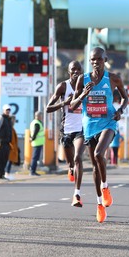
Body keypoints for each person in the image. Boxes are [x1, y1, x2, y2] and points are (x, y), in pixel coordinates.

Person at [70, 47, 128, 223]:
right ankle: (99, 204)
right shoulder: (83, 79)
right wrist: (84, 94)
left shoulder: (113, 78)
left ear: (105, 59)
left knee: (98, 154)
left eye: (99, 59)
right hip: (90, 125)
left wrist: (120, 110)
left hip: (109, 122)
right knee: (95, 166)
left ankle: (105, 187)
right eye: (93, 60)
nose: (96, 62)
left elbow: (125, 98)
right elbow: (72, 105)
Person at [45, 60, 85, 207]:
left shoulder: (86, 87)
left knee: (78, 158)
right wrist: (64, 103)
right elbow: (48, 108)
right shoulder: (63, 86)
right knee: (71, 165)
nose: (76, 72)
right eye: (73, 70)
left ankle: (77, 194)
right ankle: (70, 168)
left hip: (81, 129)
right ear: (69, 72)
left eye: (79, 70)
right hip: (67, 130)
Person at [29, 111, 44, 176]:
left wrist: (31, 138)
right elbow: (35, 132)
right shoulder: (37, 123)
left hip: (36, 142)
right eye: (41, 116)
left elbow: (32, 132)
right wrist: (32, 138)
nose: (41, 117)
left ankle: (33, 171)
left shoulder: (33, 122)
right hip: (37, 142)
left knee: (35, 158)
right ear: (37, 116)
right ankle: (32, 171)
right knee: (35, 158)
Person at [5, 115, 19, 180]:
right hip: (10, 146)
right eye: (13, 120)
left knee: (9, 160)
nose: (14, 121)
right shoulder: (9, 128)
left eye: (14, 120)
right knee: (9, 160)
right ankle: (7, 174)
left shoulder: (11, 128)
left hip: (11, 146)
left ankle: (7, 173)